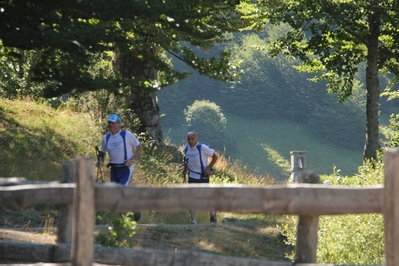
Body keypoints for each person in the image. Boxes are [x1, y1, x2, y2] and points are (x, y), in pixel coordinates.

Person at [98, 113, 143, 221]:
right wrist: (99, 162)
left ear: (119, 124)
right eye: (109, 122)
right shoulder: (106, 138)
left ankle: (124, 219)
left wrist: (131, 160)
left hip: (125, 169)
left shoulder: (126, 134)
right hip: (114, 169)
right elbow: (102, 153)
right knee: (115, 194)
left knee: (121, 191)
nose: (111, 125)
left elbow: (139, 147)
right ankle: (132, 212)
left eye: (113, 123)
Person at [183, 131, 218, 224]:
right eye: (188, 139)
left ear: (196, 139)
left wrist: (209, 168)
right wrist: (185, 169)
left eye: (192, 139)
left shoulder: (202, 148)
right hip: (192, 177)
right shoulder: (185, 149)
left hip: (203, 177)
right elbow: (187, 161)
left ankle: (213, 213)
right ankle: (194, 221)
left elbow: (215, 157)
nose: (190, 141)